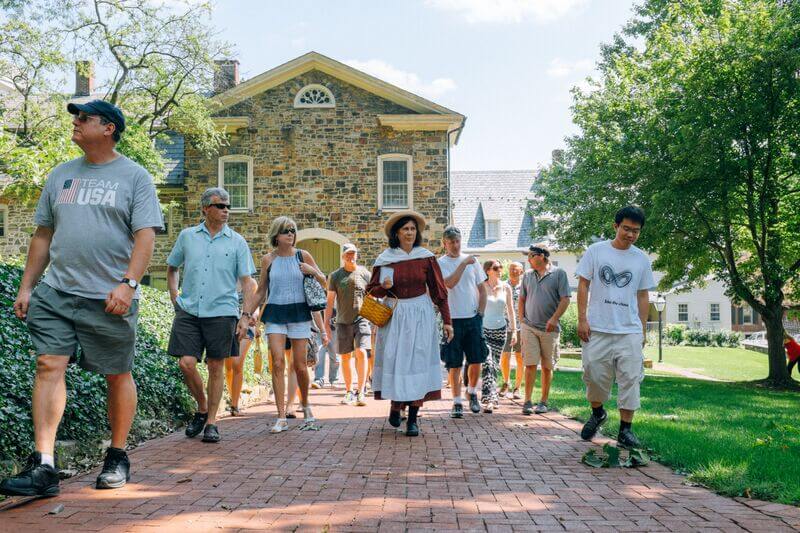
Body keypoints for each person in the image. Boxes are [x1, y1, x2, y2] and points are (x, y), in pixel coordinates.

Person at [2, 100, 163, 496]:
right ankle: (44, 466)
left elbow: (146, 235)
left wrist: (129, 284)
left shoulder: (134, 177)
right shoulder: (60, 175)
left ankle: (118, 454)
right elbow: (43, 234)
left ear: (108, 128)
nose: (75, 123)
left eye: (84, 118)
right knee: (48, 363)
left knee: (116, 373)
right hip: (57, 291)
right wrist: (27, 287)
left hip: (108, 296)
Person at [166, 187, 256, 443]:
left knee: (216, 366)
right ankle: (203, 407)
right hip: (189, 310)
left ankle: (212, 422)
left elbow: (248, 283)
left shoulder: (237, 241)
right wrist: (175, 296)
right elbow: (172, 267)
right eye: (220, 205)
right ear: (205, 208)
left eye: (227, 206)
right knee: (186, 363)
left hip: (222, 312)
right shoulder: (187, 237)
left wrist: (245, 316)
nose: (226, 210)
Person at [366, 210, 453, 436]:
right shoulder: (386, 258)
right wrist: (382, 287)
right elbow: (371, 290)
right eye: (405, 229)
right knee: (396, 360)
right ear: (397, 233)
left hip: (420, 314)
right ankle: (396, 405)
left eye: (413, 229)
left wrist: (447, 320)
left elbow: (439, 291)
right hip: (395, 314)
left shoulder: (425, 257)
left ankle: (413, 417)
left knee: (418, 362)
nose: (410, 233)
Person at [576, 205, 655, 449]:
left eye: (636, 231)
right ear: (615, 226)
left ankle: (625, 430)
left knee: (630, 378)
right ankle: (598, 412)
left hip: (629, 329)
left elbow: (643, 296)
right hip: (598, 327)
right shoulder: (596, 251)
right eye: (626, 229)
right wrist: (581, 319)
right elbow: (583, 285)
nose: (631, 235)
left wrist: (641, 329)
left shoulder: (641, 258)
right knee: (594, 376)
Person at [243, 216, 328, 433]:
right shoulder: (268, 260)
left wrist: (314, 272)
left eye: (293, 230)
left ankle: (306, 406)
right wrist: (246, 314)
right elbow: (261, 290)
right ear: (276, 235)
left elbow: (324, 282)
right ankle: (281, 416)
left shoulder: (303, 255)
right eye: (285, 231)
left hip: (299, 312)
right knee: (278, 362)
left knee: (299, 365)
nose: (290, 234)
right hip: (275, 313)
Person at [437, 226, 488, 417]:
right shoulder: (440, 263)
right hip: (452, 320)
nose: (455, 245)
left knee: (476, 359)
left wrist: (480, 313)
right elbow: (449, 284)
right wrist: (464, 263)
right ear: (445, 243)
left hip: (473, 318)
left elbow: (482, 289)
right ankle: (457, 402)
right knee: (455, 363)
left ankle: (472, 392)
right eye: (451, 242)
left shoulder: (473, 262)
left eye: (457, 241)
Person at [518, 244, 570, 415]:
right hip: (529, 326)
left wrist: (554, 319)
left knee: (547, 367)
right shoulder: (527, 276)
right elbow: (522, 299)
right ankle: (527, 401)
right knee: (530, 364)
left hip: (550, 329)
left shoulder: (559, 274)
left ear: (541, 256)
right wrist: (522, 320)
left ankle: (543, 402)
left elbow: (565, 299)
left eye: (531, 256)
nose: (528, 260)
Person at [324, 243, 372, 406]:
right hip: (343, 321)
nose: (351, 256)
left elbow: (373, 296)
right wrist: (326, 326)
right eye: (347, 254)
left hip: (362, 319)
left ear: (357, 255)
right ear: (343, 256)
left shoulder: (365, 273)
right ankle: (349, 391)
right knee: (345, 357)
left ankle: (361, 391)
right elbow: (329, 303)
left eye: (353, 253)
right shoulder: (336, 276)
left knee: (361, 352)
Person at [480, 260, 516, 413]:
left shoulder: (506, 287)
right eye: (496, 268)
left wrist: (513, 330)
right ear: (488, 270)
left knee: (494, 364)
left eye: (501, 268)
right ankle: (490, 399)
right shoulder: (480, 286)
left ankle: (490, 397)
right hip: (484, 330)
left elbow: (510, 310)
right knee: (488, 363)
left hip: (500, 331)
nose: (500, 270)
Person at [500, 261, 525, 399]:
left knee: (520, 357)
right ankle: (506, 382)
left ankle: (517, 387)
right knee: (505, 356)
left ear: (521, 271)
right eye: (511, 269)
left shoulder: (526, 286)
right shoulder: (503, 285)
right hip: (505, 325)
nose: (513, 271)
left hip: (522, 326)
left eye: (516, 269)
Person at [312, 314, 339, 389]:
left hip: (334, 325)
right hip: (319, 324)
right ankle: (318, 379)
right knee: (319, 353)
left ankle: (334, 379)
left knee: (334, 354)